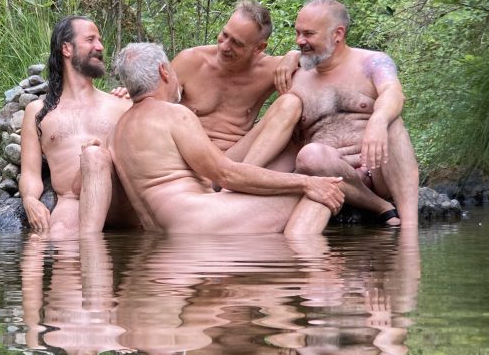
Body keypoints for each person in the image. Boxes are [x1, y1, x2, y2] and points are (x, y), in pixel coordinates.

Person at [108, 42, 344, 235]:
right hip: (200, 221)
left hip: (161, 233)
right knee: (322, 191)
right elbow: (227, 175)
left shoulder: (118, 128)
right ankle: (306, 261)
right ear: (163, 71)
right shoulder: (173, 113)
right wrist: (306, 182)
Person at [289, 0, 419, 228]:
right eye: (298, 32)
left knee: (392, 121)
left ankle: (410, 225)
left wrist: (377, 121)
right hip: (332, 172)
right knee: (310, 155)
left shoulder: (372, 61)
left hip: (378, 169)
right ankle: (380, 207)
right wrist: (287, 58)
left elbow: (393, 92)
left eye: (308, 34)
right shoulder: (295, 75)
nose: (300, 41)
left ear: (337, 33)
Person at [19, 15, 135, 237]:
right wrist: (30, 200)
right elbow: (30, 173)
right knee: (58, 235)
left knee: (94, 155)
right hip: (73, 201)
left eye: (100, 40)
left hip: (121, 202)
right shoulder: (37, 111)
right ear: (66, 49)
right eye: (90, 40)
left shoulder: (121, 103)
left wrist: (139, 101)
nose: (100, 46)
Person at [172, 0, 302, 169]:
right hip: (188, 157)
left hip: (232, 160)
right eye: (225, 35)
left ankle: (243, 176)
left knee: (291, 104)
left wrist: (295, 55)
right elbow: (153, 102)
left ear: (259, 48)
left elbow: (323, 61)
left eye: (237, 43)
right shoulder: (190, 61)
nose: (225, 46)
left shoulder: (270, 69)